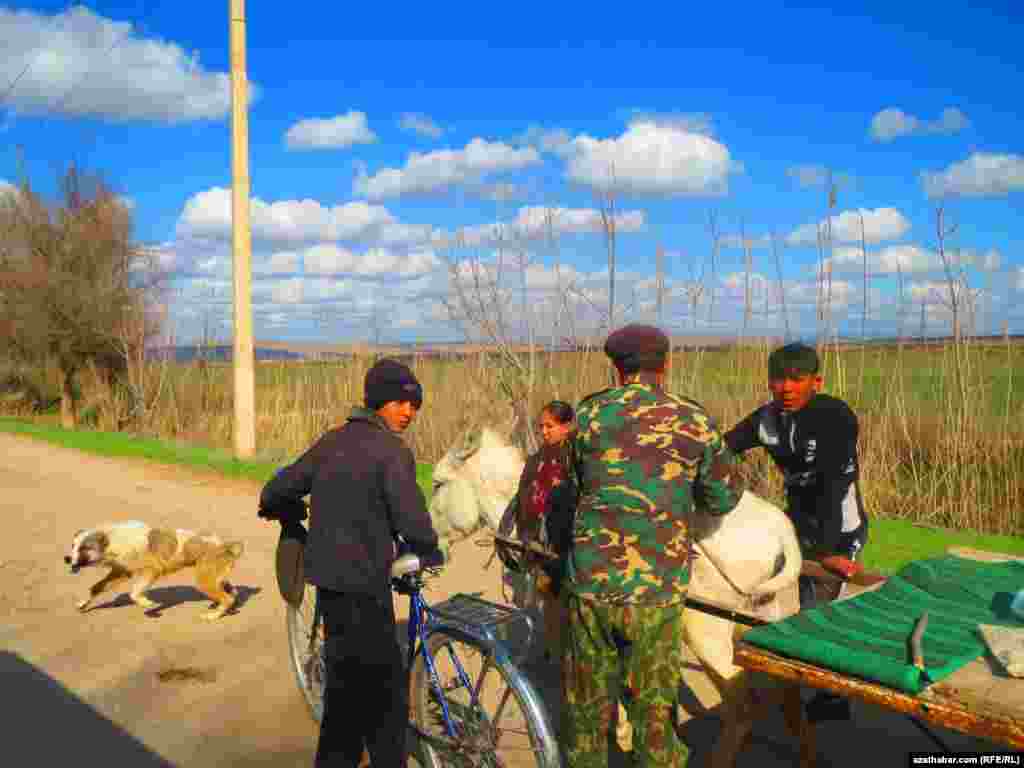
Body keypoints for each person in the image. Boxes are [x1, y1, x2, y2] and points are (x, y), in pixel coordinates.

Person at [562, 324, 744, 768]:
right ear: (665, 366)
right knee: (655, 718)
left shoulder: (587, 416)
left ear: (616, 369)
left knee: (585, 716)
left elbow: (575, 481)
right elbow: (724, 496)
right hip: (656, 592)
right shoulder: (693, 419)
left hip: (592, 586)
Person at [258, 358, 440, 768]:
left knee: (345, 685)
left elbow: (280, 486)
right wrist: (428, 549)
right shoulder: (391, 451)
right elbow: (411, 518)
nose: (409, 413)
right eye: (401, 403)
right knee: (384, 694)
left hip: (329, 583)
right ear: (379, 402)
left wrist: (276, 506)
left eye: (415, 406)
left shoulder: (331, 441)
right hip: (364, 584)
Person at [723, 341, 868, 723]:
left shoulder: (835, 416)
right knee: (800, 605)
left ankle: (834, 700)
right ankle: (808, 682)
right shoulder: (766, 420)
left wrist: (827, 551)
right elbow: (723, 449)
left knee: (820, 611)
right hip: (797, 524)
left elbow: (835, 486)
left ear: (816, 381)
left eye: (796, 379)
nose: (786, 387)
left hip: (840, 527)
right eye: (778, 380)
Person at [499, 400, 579, 661]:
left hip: (568, 543)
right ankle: (554, 652)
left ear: (567, 426)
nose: (544, 432)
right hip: (539, 542)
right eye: (541, 426)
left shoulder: (577, 458)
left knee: (568, 602)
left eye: (550, 426)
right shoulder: (536, 460)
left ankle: (568, 654)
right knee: (548, 600)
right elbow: (524, 495)